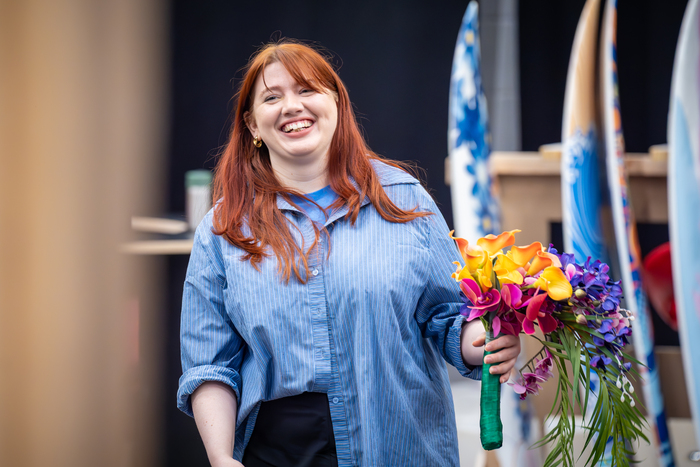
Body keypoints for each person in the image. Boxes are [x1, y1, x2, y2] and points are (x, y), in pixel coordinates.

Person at [177, 39, 521, 467]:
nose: (291, 106)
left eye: (307, 90)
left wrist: (481, 343)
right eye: (272, 97)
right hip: (278, 453)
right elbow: (210, 366)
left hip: (399, 445)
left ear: (335, 103)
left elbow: (449, 317)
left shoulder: (401, 199)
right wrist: (220, 457)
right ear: (252, 125)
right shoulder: (222, 229)